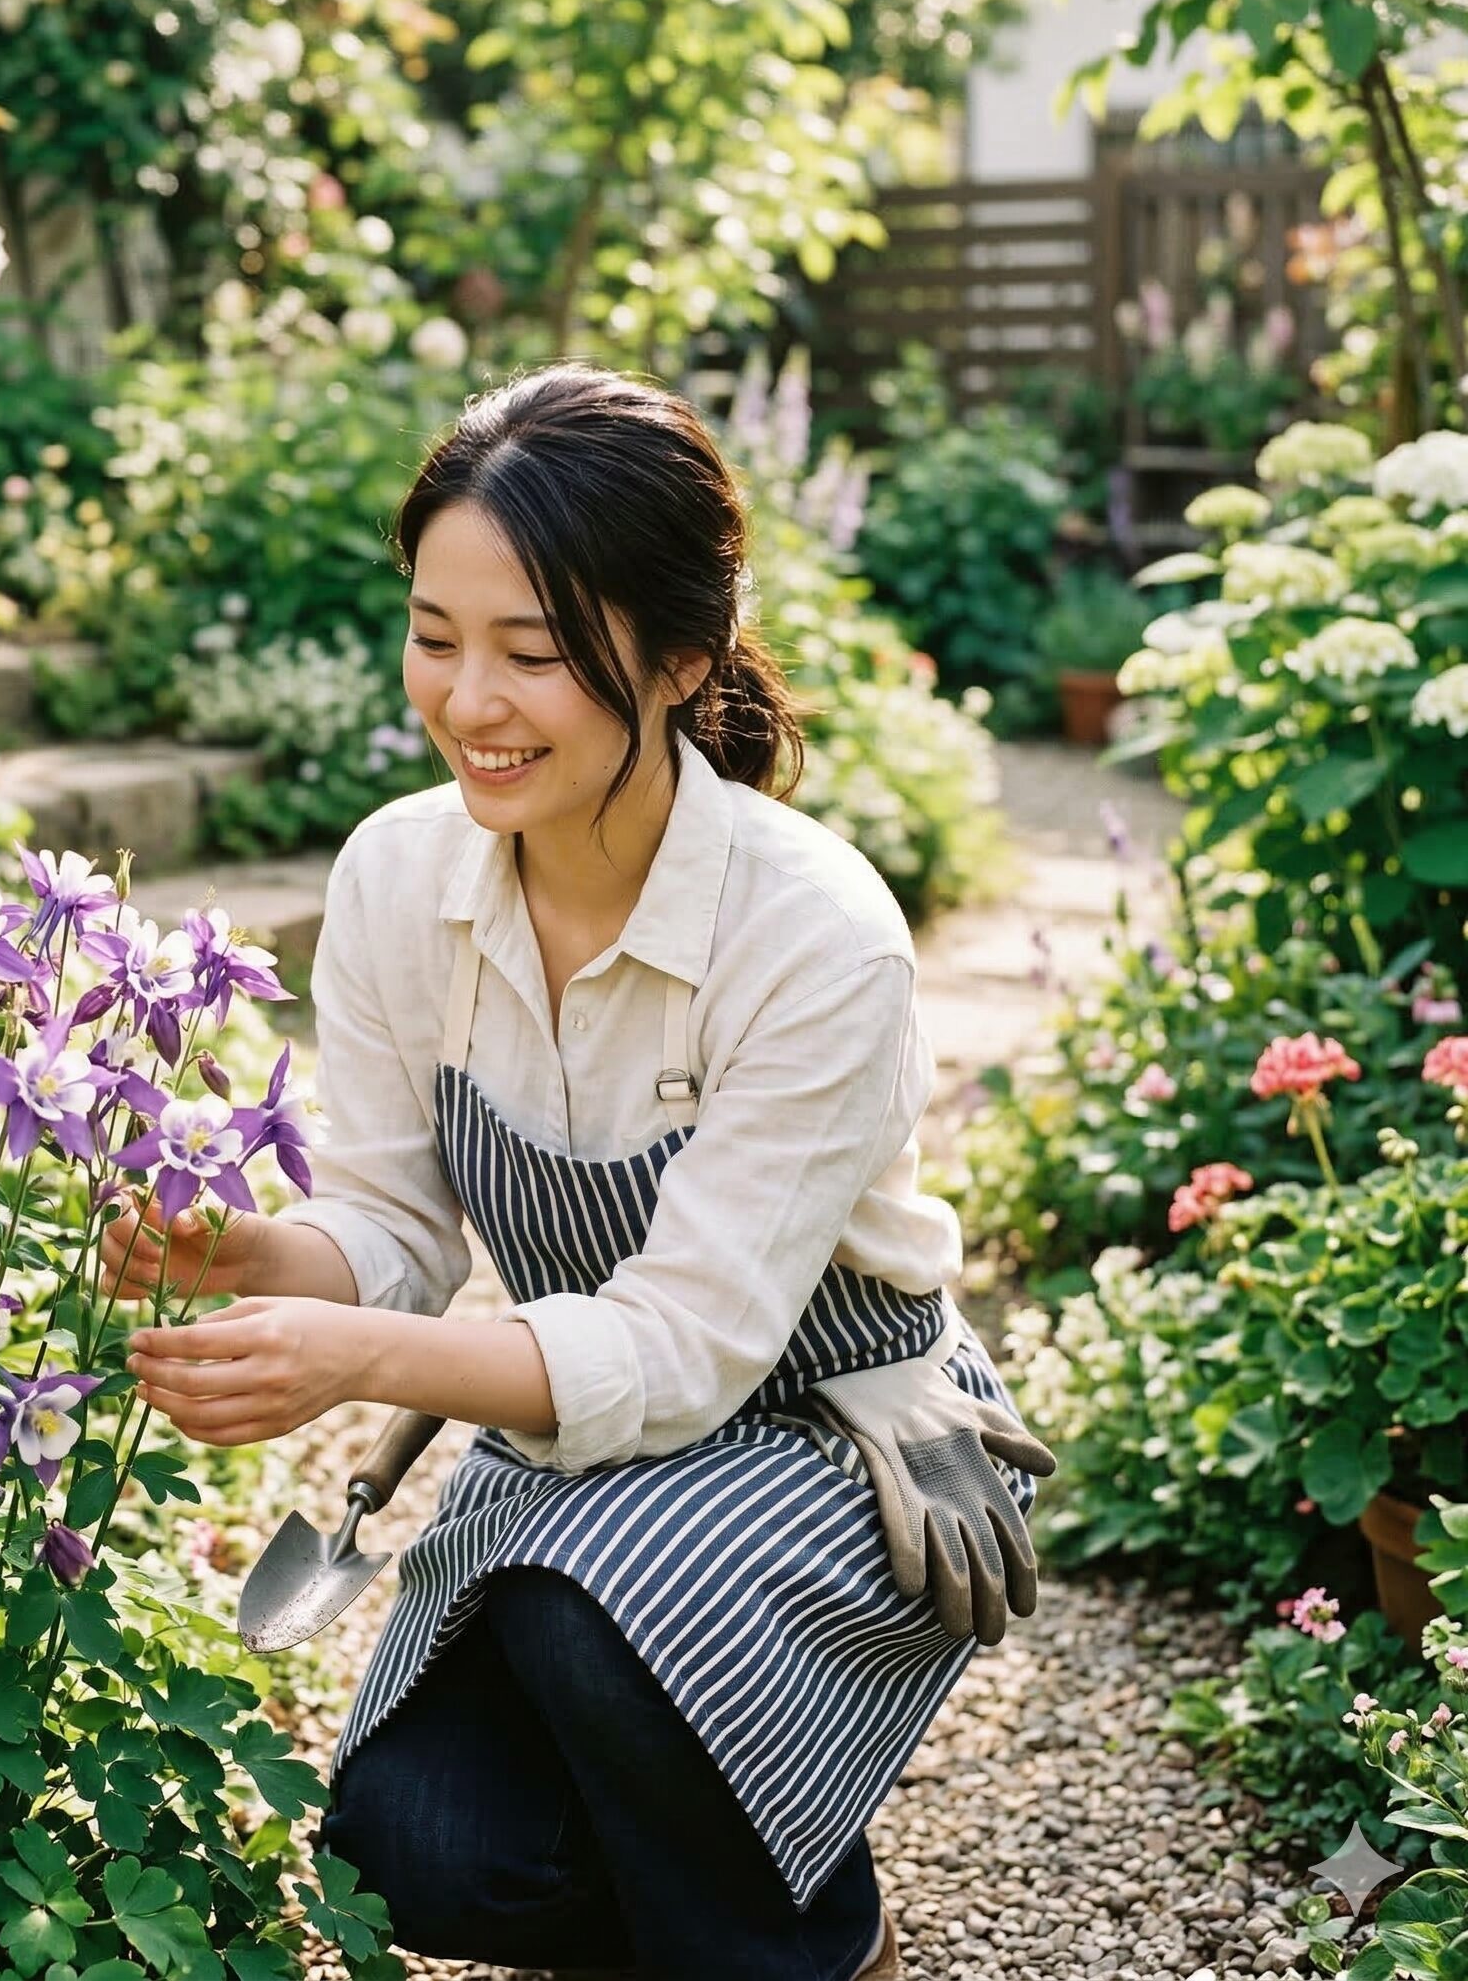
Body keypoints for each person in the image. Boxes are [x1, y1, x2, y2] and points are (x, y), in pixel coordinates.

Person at [101, 360, 1058, 1980]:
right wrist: (263, 1262)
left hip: (842, 1427)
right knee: (412, 1858)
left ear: (680, 662)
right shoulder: (402, 877)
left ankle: (800, 1948)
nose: (471, 700)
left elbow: (686, 1349)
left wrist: (359, 1362)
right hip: (582, 1420)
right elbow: (393, 1221)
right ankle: (745, 1865)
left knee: (581, 1603)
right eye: (435, 635)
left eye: (534, 653)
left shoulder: (808, 930)